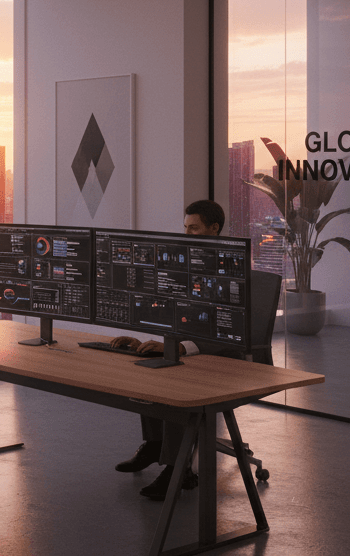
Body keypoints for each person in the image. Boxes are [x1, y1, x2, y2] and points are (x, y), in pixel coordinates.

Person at [110, 199, 228, 501]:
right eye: (185, 228)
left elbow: (227, 332)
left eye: (195, 228)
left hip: (223, 355)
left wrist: (180, 348)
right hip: (189, 347)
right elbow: (175, 314)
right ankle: (153, 443)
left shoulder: (229, 267)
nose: (187, 234)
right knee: (150, 368)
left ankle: (179, 470)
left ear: (214, 229)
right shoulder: (185, 262)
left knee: (177, 386)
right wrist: (147, 342)